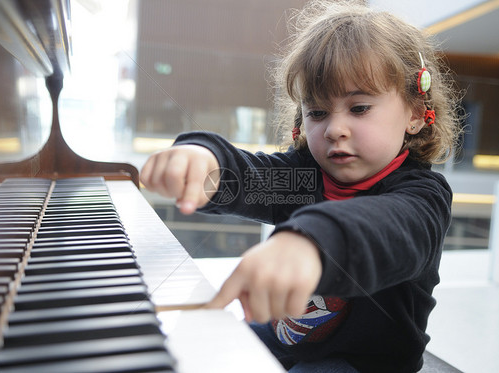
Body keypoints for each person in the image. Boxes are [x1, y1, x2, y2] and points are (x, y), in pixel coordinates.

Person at [141, 0, 462, 371]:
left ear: (416, 115)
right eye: (318, 112)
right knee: (193, 345)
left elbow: (389, 227)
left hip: (364, 362)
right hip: (284, 336)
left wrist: (313, 242)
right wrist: (203, 160)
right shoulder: (302, 177)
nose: (334, 128)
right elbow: (248, 176)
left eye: (359, 108)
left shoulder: (422, 196)